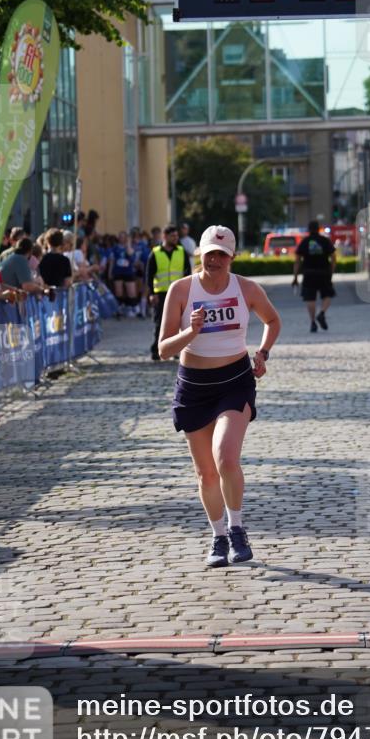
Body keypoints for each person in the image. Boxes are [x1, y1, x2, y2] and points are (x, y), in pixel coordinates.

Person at [158, 224, 281, 567]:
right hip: (194, 386)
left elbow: (272, 321)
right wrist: (190, 331)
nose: (215, 260)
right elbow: (163, 349)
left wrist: (263, 353)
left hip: (235, 380)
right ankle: (218, 536)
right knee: (206, 473)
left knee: (226, 458)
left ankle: (237, 528)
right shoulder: (181, 290)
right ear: (199, 253)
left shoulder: (246, 288)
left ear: (232, 257)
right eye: (210, 253)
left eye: (222, 255)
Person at [146, 224, 191, 361]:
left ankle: (176, 351)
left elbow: (187, 271)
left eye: (177, 236)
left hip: (178, 293)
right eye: (173, 236)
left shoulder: (181, 251)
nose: (176, 238)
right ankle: (156, 350)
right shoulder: (156, 252)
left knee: (180, 322)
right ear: (165, 236)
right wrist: (151, 294)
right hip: (161, 294)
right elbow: (149, 275)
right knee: (160, 323)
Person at [292, 220, 336, 332]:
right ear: (319, 228)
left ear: (308, 229)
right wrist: (331, 271)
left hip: (308, 273)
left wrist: (295, 277)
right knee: (327, 295)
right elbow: (334, 258)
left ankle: (312, 322)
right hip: (324, 272)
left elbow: (297, 261)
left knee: (310, 298)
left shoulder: (304, 241)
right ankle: (322, 313)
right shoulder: (325, 241)